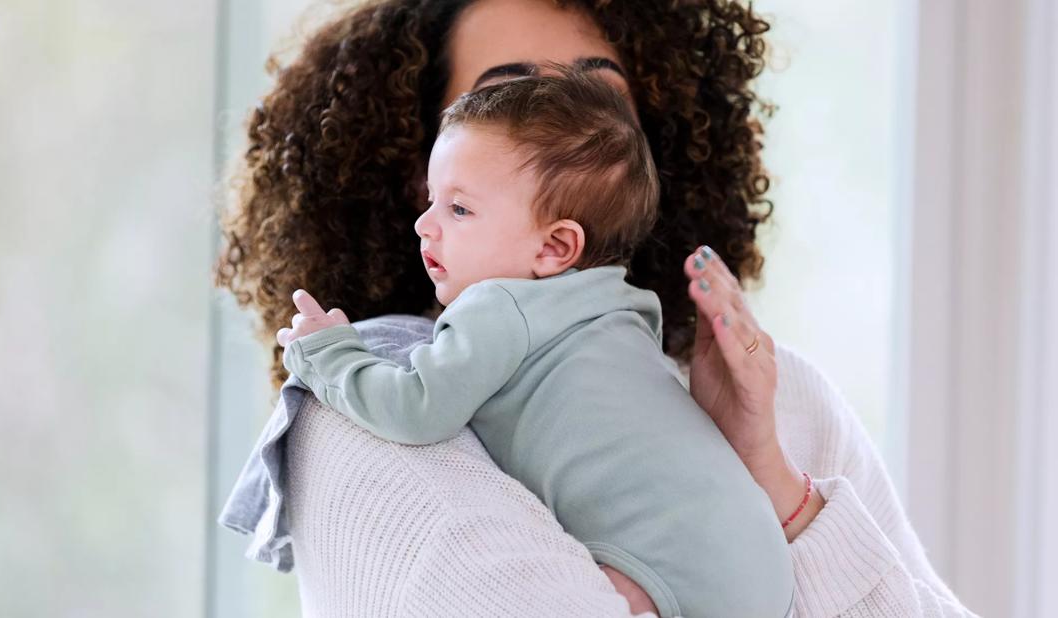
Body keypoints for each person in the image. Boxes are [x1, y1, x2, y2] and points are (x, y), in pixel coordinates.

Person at [214, 0, 979, 615]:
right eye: (506, 99)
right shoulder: (355, 415)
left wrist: (773, 479)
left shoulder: (782, 398)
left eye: (598, 96)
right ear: (415, 156)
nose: (562, 123)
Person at [274, 71, 795, 618]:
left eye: (459, 209)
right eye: (432, 200)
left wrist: (330, 352)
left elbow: (415, 408)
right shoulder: (625, 307)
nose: (424, 225)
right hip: (762, 558)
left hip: (661, 567)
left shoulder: (501, 305)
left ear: (555, 247)